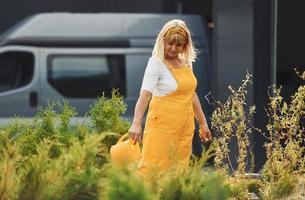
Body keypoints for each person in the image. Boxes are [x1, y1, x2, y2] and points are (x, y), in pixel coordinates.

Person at [128, 19, 212, 179]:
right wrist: (136, 123)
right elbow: (145, 96)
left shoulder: (186, 62)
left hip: (185, 126)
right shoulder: (156, 63)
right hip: (162, 125)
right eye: (170, 44)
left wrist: (203, 123)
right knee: (153, 170)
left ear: (185, 45)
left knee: (179, 172)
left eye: (179, 45)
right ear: (163, 41)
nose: (173, 49)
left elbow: (192, 95)